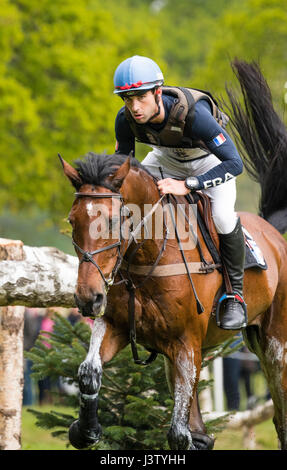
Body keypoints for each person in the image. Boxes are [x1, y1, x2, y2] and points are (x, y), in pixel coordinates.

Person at [113, 55, 247, 330]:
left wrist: (188, 185)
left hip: (209, 161)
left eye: (141, 97)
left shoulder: (195, 115)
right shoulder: (124, 119)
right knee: (127, 201)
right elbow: (123, 170)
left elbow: (235, 163)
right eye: (128, 99)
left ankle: (235, 295)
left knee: (222, 216)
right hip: (165, 160)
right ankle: (120, 277)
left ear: (157, 92)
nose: (135, 107)